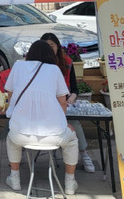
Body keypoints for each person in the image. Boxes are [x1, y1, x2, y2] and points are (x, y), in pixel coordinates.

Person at [4, 40, 79, 195]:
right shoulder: (54, 70)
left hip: (21, 135)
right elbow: (62, 102)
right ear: (50, 55)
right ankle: (70, 183)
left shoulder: (18, 66)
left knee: (12, 139)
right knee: (72, 140)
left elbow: (10, 95)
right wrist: (64, 124)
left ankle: (15, 178)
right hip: (54, 137)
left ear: (30, 53)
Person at [40, 32, 95, 173]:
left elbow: (74, 89)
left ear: (58, 47)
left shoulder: (67, 63)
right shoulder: (36, 64)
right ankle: (20, 153)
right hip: (42, 105)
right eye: (45, 46)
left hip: (63, 104)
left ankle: (84, 154)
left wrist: (72, 97)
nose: (49, 49)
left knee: (74, 122)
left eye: (52, 45)